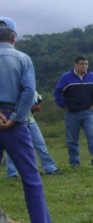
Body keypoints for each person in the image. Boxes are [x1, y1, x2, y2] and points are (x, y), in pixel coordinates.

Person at [0, 17, 51, 222]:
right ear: (14, 37)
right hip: (16, 122)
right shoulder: (23, 59)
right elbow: (29, 90)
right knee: (31, 179)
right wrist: (16, 117)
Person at [54, 56, 93, 169]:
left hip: (88, 113)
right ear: (75, 65)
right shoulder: (66, 77)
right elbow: (57, 93)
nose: (84, 66)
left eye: (86, 64)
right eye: (81, 64)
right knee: (72, 139)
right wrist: (63, 106)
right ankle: (74, 163)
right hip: (71, 113)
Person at [5, 91, 63, 178]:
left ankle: (50, 168)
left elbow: (35, 101)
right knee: (13, 146)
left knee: (40, 144)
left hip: (30, 120)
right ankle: (11, 173)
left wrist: (35, 108)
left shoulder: (30, 87)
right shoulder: (11, 87)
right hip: (15, 121)